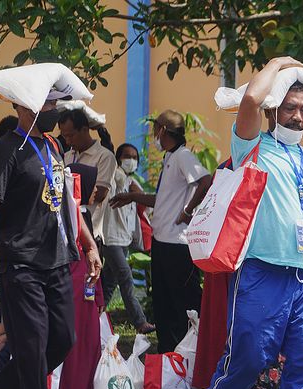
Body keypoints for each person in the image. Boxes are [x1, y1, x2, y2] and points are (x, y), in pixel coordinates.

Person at [191, 56, 303, 389]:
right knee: (251, 355)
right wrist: (278, 64)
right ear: (275, 110)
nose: (297, 116)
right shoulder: (252, 145)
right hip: (261, 270)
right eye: (290, 107)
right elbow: (251, 99)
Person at [0, 94, 101, 389]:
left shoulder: (53, 146)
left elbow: (68, 201)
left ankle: (4, 386)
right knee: (32, 343)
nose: (54, 112)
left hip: (58, 258)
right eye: (46, 106)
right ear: (23, 107)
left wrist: (89, 244)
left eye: (54, 105)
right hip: (20, 261)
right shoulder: (5, 151)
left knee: (63, 338)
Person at [110, 110, 211, 353]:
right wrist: (133, 196)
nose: (154, 135)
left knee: (181, 306)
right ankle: (168, 355)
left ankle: (186, 355)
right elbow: (163, 200)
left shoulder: (183, 156)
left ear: (163, 131)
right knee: (164, 305)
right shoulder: (171, 157)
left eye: (156, 130)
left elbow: (206, 182)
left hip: (177, 244)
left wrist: (187, 212)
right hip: (162, 242)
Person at [52, 163, 103, 389]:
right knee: (72, 353)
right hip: (72, 290)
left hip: (88, 294)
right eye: (92, 186)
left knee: (88, 352)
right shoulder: (70, 214)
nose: (96, 191)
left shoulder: (83, 214)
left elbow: (94, 258)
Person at [102, 143, 154, 334]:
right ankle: (139, 321)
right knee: (125, 276)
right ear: (118, 158)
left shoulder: (132, 181)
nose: (131, 160)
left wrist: (133, 193)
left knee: (108, 283)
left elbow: (142, 198)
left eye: (134, 157)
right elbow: (124, 185)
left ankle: (94, 315)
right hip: (110, 238)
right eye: (126, 156)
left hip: (123, 239)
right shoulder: (116, 175)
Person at [59, 108, 118, 244]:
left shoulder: (105, 157)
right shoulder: (66, 156)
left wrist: (67, 194)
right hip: (67, 232)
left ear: (85, 130)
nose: (67, 142)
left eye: (71, 135)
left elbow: (100, 194)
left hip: (90, 233)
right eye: (64, 136)